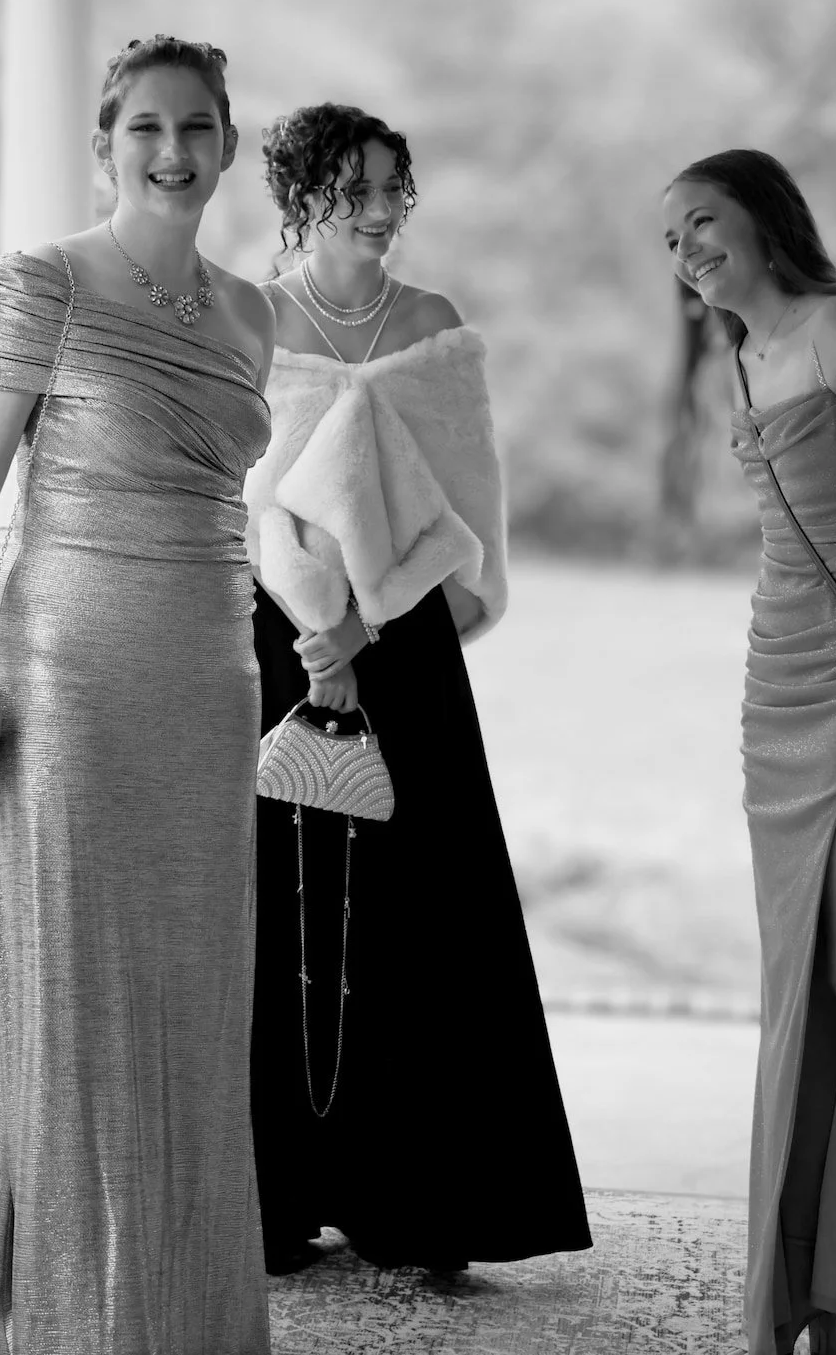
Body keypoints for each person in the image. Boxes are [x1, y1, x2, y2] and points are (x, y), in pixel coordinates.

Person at [0, 35, 275, 1355]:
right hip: (68, 676)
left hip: (211, 678)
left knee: (187, 1004)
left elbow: (230, 502)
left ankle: (174, 1311)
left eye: (196, 128)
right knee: (72, 990)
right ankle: (65, 1318)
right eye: (144, 129)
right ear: (105, 143)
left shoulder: (251, 311)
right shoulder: (44, 282)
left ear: (228, 142)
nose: (172, 153)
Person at [245, 101, 591, 1277]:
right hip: (278, 639)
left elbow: (466, 510)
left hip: (408, 646)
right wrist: (316, 625)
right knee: (277, 909)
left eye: (397, 187)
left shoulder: (437, 329)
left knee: (421, 906)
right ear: (299, 194)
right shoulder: (249, 318)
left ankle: (421, 1197)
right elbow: (242, 497)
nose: (385, 210)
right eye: (357, 189)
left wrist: (370, 622)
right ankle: (279, 1191)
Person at [662, 149, 836, 1355]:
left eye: (704, 223)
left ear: (766, 223)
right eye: (670, 238)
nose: (685, 250)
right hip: (771, 694)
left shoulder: (834, 329)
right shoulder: (743, 353)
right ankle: (818, 1296)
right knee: (807, 998)